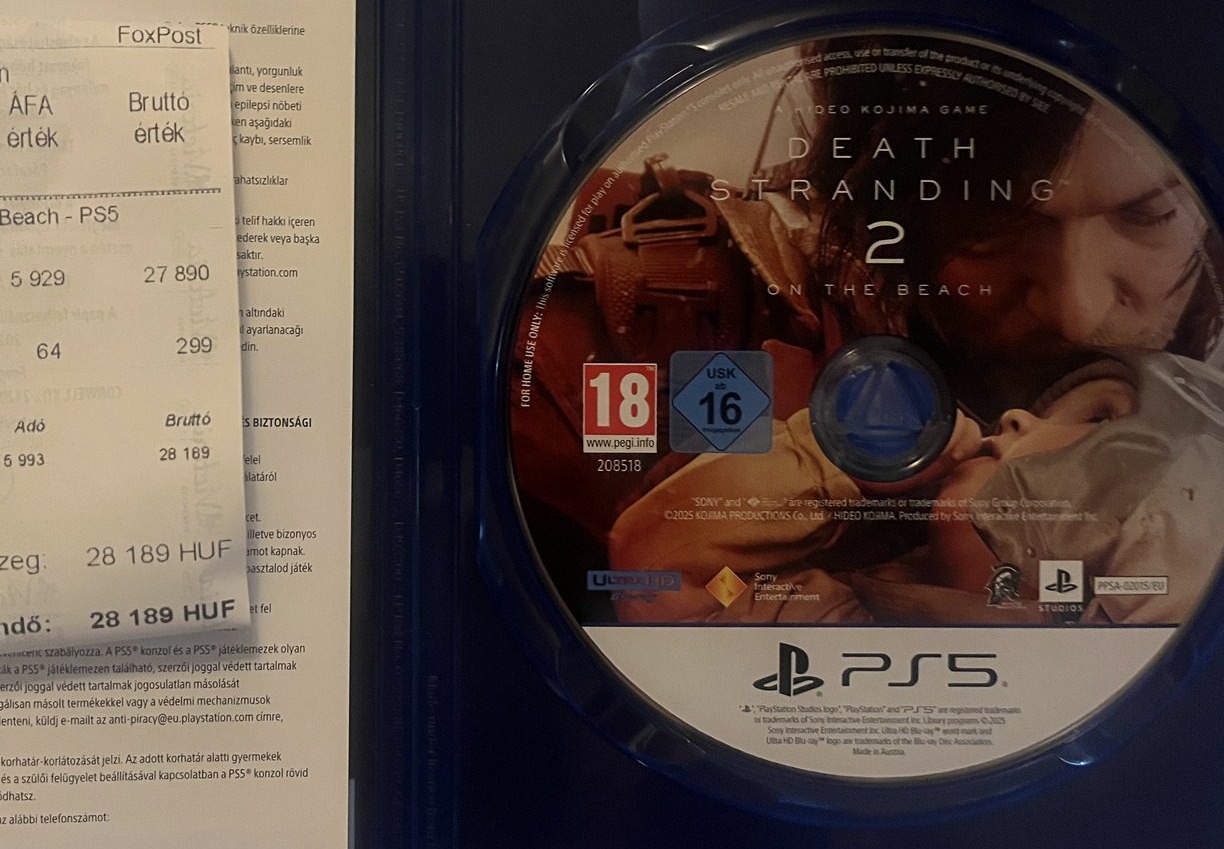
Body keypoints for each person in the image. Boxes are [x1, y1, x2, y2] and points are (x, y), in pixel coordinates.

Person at [510, 34, 1224, 624]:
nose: (1077, 309)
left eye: (1152, 215)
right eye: (993, 223)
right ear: (889, 214)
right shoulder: (610, 337)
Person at [605, 350, 1224, 627]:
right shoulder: (842, 604)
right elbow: (666, 583)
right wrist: (841, 463)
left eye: (1098, 419)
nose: (1015, 417)